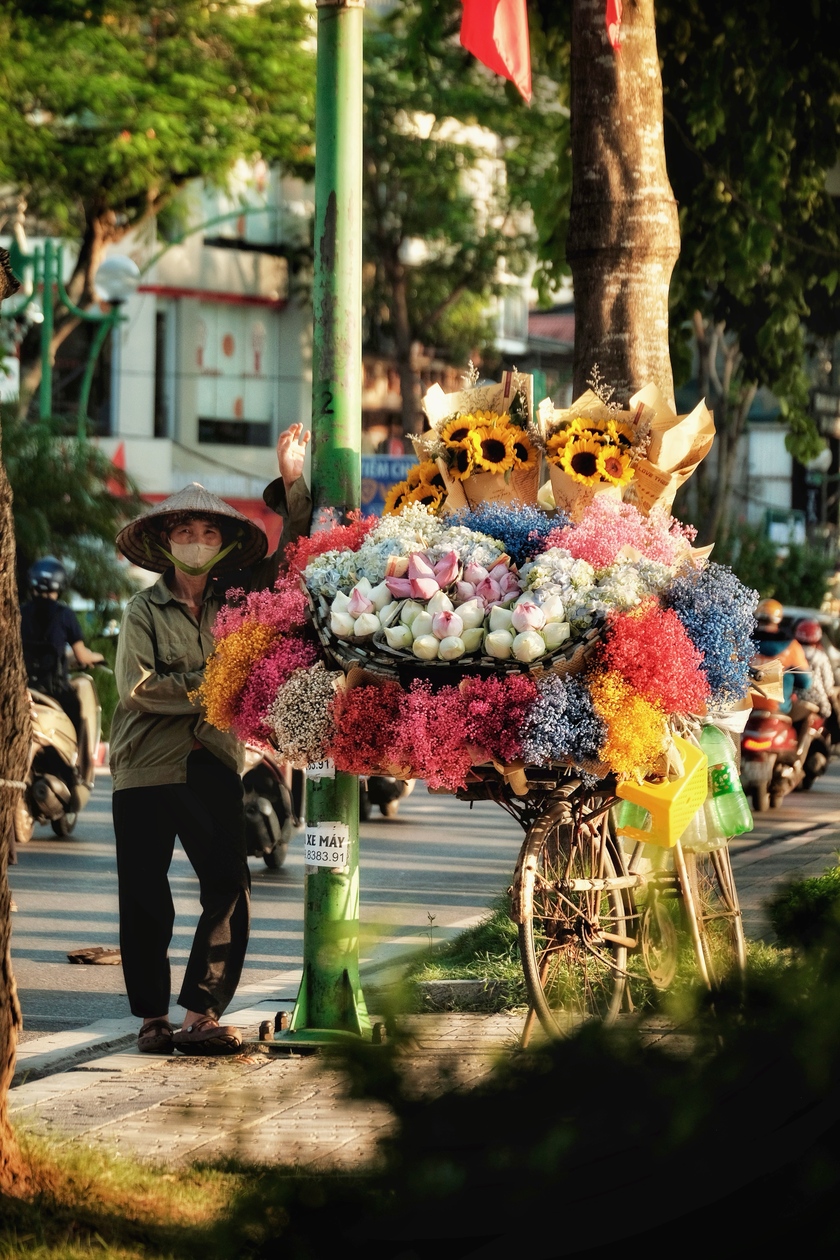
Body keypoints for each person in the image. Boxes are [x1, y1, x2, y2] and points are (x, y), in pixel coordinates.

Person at [110, 425, 312, 1056]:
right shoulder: (142, 612)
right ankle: (151, 1018)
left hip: (213, 763)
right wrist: (220, 681)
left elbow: (294, 560)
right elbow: (138, 688)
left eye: (208, 534)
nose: (196, 543)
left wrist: (294, 478)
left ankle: (201, 1011)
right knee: (146, 897)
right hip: (144, 767)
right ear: (164, 543)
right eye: (184, 533)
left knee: (229, 882)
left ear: (222, 545)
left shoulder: (236, 606)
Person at [20, 556, 105, 733]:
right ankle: (79, 759)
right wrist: (98, 657)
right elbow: (82, 655)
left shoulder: (20, 612)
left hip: (24, 688)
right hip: (55, 691)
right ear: (61, 584)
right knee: (77, 715)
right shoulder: (64, 614)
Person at [795, 618, 840, 743]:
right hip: (816, 700)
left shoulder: (792, 652)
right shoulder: (820, 657)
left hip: (791, 700)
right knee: (832, 714)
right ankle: (835, 743)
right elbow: (828, 685)